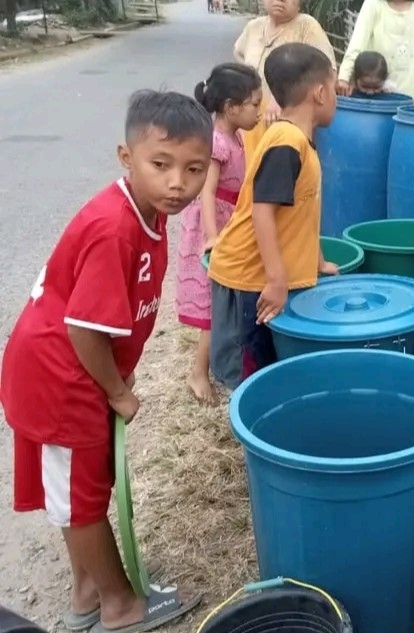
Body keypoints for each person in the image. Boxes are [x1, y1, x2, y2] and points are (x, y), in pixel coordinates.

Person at [0, 91, 212, 633]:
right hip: (60, 374)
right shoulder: (114, 227)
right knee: (82, 498)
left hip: (75, 369)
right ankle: (119, 607)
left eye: (192, 169)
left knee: (86, 486)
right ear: (126, 158)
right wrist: (118, 389)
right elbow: (81, 328)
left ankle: (88, 591)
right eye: (160, 165)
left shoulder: (146, 213)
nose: (177, 184)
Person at [208, 43, 339, 388]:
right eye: (336, 90)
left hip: (262, 278)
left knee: (268, 367)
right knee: (250, 375)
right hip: (251, 280)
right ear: (321, 93)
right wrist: (277, 279)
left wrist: (317, 260)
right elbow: (263, 212)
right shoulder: (286, 142)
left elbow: (299, 213)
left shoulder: (297, 140)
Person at [176, 63, 263, 402]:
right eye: (255, 104)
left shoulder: (236, 137)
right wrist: (213, 237)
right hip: (212, 227)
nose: (259, 111)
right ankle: (199, 373)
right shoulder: (217, 143)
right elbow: (207, 193)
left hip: (229, 224)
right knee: (214, 307)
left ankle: (210, 365)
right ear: (230, 107)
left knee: (222, 304)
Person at [233, 0, 337, 153]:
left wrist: (283, 99)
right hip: (251, 126)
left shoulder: (307, 27)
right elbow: (239, 57)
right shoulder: (253, 27)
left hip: (289, 130)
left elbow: (327, 75)